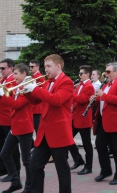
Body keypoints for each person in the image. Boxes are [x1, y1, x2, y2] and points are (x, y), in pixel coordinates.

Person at [24, 54, 74, 193]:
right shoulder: (47, 82)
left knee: (62, 169)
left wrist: (35, 89)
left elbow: (57, 100)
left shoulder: (67, 82)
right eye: (45, 66)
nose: (46, 69)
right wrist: (27, 91)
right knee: (35, 165)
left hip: (59, 133)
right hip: (44, 133)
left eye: (48, 66)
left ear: (58, 66)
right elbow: (36, 101)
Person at [0, 63, 34, 193]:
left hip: (24, 127)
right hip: (15, 126)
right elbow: (10, 101)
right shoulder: (17, 86)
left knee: (26, 160)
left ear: (24, 74)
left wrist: (2, 95)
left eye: (16, 74)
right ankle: (16, 182)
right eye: (14, 73)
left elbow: (16, 105)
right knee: (4, 153)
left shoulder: (28, 88)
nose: (14, 76)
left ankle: (29, 187)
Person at [92, 62, 117, 185]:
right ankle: (106, 170)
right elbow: (103, 99)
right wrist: (95, 99)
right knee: (99, 144)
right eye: (105, 71)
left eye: (108, 72)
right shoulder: (106, 84)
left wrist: (104, 95)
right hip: (104, 121)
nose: (106, 74)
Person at [0, 58, 21, 180]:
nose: (0, 71)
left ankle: (15, 172)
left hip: (8, 117)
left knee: (12, 148)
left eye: (3, 68)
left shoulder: (12, 79)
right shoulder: (4, 79)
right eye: (0, 68)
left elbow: (10, 95)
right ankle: (2, 168)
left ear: (11, 68)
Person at [69, 65, 95, 175]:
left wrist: (70, 93)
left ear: (87, 74)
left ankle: (88, 167)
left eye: (81, 73)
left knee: (87, 144)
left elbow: (82, 99)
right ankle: (78, 159)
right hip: (75, 117)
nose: (79, 75)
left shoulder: (89, 86)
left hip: (83, 118)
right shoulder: (80, 85)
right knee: (68, 139)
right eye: (79, 73)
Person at [29, 59, 45, 139]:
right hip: (33, 107)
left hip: (37, 108)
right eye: (29, 67)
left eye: (32, 66)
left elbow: (41, 92)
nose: (30, 68)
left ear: (37, 67)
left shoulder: (40, 77)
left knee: (38, 129)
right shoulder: (32, 77)